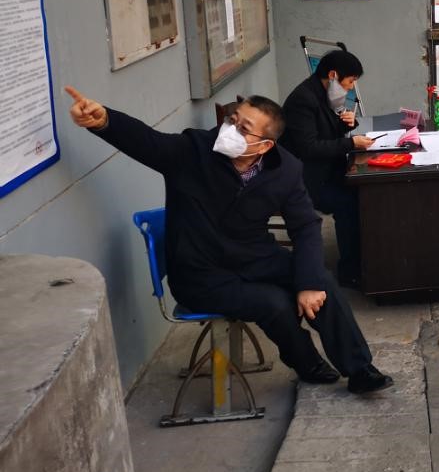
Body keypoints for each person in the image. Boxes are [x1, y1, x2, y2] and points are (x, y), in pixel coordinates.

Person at [65, 86, 392, 395]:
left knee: (321, 283)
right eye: (232, 119)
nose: (231, 129)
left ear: (265, 146)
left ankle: (360, 370)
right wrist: (105, 121)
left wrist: (308, 283)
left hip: (254, 257)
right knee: (275, 303)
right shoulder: (192, 151)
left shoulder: (285, 169)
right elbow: (147, 142)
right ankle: (307, 362)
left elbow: (305, 226)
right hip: (200, 272)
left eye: (243, 128)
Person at [280, 50, 373, 288]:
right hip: (304, 180)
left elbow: (327, 132)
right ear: (333, 75)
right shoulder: (303, 100)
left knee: (366, 192)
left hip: (324, 170)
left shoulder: (324, 94)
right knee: (348, 202)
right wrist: (351, 143)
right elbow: (309, 148)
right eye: (350, 81)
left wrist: (347, 125)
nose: (350, 88)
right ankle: (350, 272)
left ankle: (369, 258)